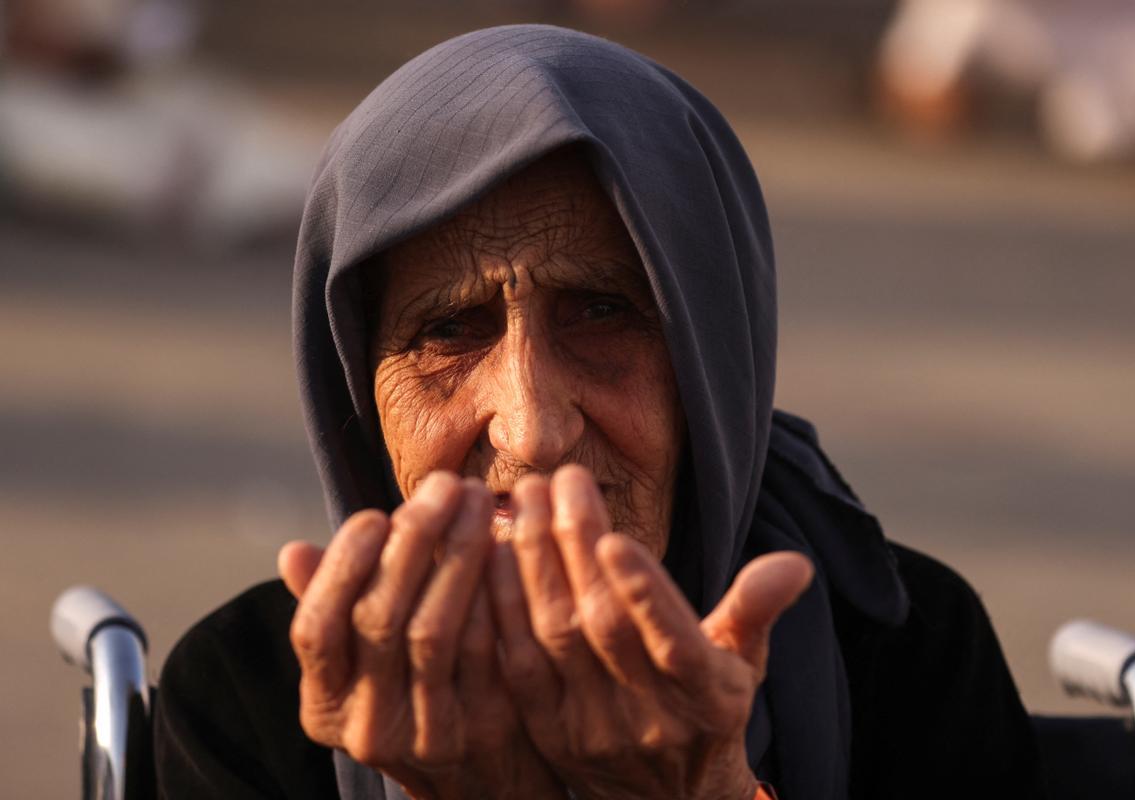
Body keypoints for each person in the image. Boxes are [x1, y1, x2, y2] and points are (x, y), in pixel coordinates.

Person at [154, 24, 1047, 799]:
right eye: (447, 331)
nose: (533, 429)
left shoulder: (903, 652)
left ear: (712, 361)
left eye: (603, 311)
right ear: (355, 391)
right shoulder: (251, 698)